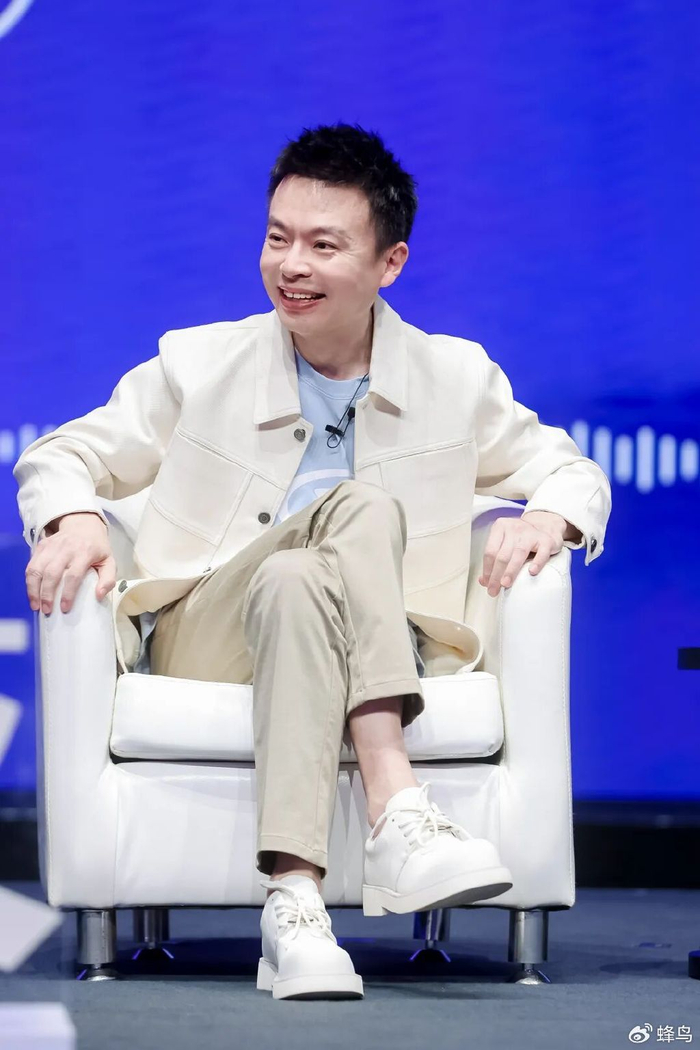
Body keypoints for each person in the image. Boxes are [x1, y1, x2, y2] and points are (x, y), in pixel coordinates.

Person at [14, 122, 611, 1002]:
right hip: (210, 637)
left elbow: (572, 468)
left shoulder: (454, 377)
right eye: (277, 238)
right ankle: (397, 808)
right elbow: (61, 453)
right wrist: (73, 518)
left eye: (323, 246)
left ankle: (292, 906)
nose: (290, 265)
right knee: (360, 507)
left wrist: (550, 516)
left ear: (389, 262)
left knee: (298, 578)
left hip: (363, 637)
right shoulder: (199, 363)